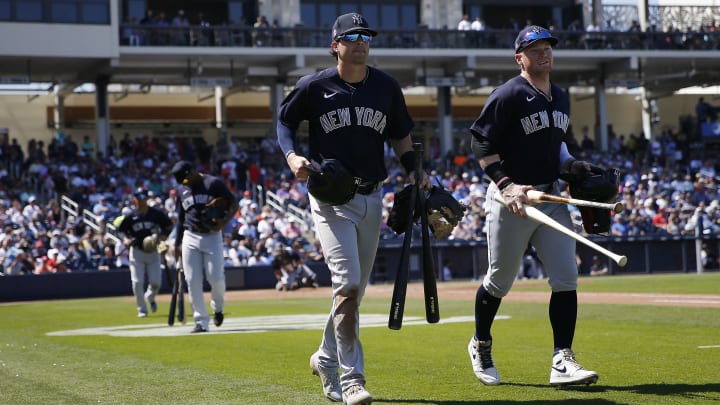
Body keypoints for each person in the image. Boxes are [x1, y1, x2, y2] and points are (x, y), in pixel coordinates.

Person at [276, 12, 428, 405]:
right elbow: (284, 122)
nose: (360, 41)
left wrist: (414, 171)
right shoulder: (314, 85)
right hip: (329, 197)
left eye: (365, 35)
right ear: (335, 45)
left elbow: (401, 134)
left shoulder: (386, 87)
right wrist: (292, 156)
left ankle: (325, 358)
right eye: (352, 36)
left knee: (354, 293)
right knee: (346, 284)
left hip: (372, 195)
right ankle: (352, 379)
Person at [467, 25, 599, 387]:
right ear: (519, 57)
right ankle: (480, 343)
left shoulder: (561, 96)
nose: (544, 54)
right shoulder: (508, 95)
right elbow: (481, 144)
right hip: (513, 201)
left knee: (566, 279)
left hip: (549, 198)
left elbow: (556, 146)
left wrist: (573, 167)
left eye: (548, 48)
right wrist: (506, 186)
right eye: (535, 49)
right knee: (499, 281)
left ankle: (562, 361)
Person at [171, 160, 237, 333]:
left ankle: (218, 308)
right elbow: (180, 218)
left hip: (212, 235)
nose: (185, 184)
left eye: (186, 179)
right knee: (192, 281)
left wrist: (224, 222)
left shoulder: (213, 183)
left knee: (215, 278)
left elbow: (233, 203)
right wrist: (177, 243)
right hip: (190, 235)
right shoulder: (182, 189)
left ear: (192, 171)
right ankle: (201, 321)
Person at [116, 191, 174, 318]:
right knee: (137, 282)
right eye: (139, 199)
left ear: (147, 199)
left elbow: (169, 225)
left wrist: (164, 236)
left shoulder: (156, 214)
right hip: (137, 252)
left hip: (153, 251)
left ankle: (150, 296)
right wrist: (125, 239)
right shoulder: (131, 215)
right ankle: (142, 309)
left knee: (156, 283)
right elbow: (120, 231)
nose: (141, 201)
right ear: (135, 200)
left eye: (143, 198)